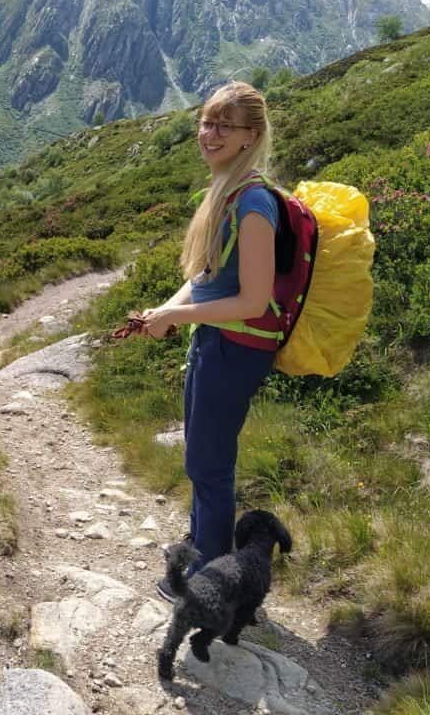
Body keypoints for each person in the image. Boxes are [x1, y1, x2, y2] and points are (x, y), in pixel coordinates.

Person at [139, 81, 279, 603]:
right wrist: (169, 311)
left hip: (236, 349)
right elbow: (204, 275)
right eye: (206, 121)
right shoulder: (222, 192)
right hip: (213, 342)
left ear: (251, 136)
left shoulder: (255, 204)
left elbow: (253, 301)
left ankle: (211, 582)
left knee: (210, 464)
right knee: (201, 457)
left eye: (225, 124)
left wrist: (180, 313)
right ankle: (202, 546)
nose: (210, 133)